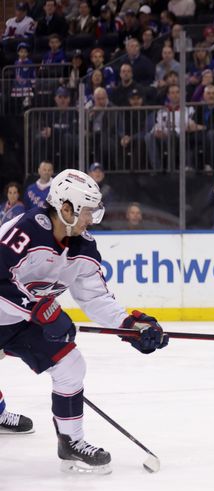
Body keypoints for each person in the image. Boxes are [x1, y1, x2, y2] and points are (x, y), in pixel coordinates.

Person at [0, 168, 168, 471]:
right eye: (87, 211)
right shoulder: (26, 231)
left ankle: (70, 442)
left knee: (70, 364)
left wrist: (130, 328)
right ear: (66, 209)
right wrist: (40, 311)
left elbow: (96, 298)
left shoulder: (83, 247)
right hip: (15, 312)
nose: (91, 219)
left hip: (17, 322)